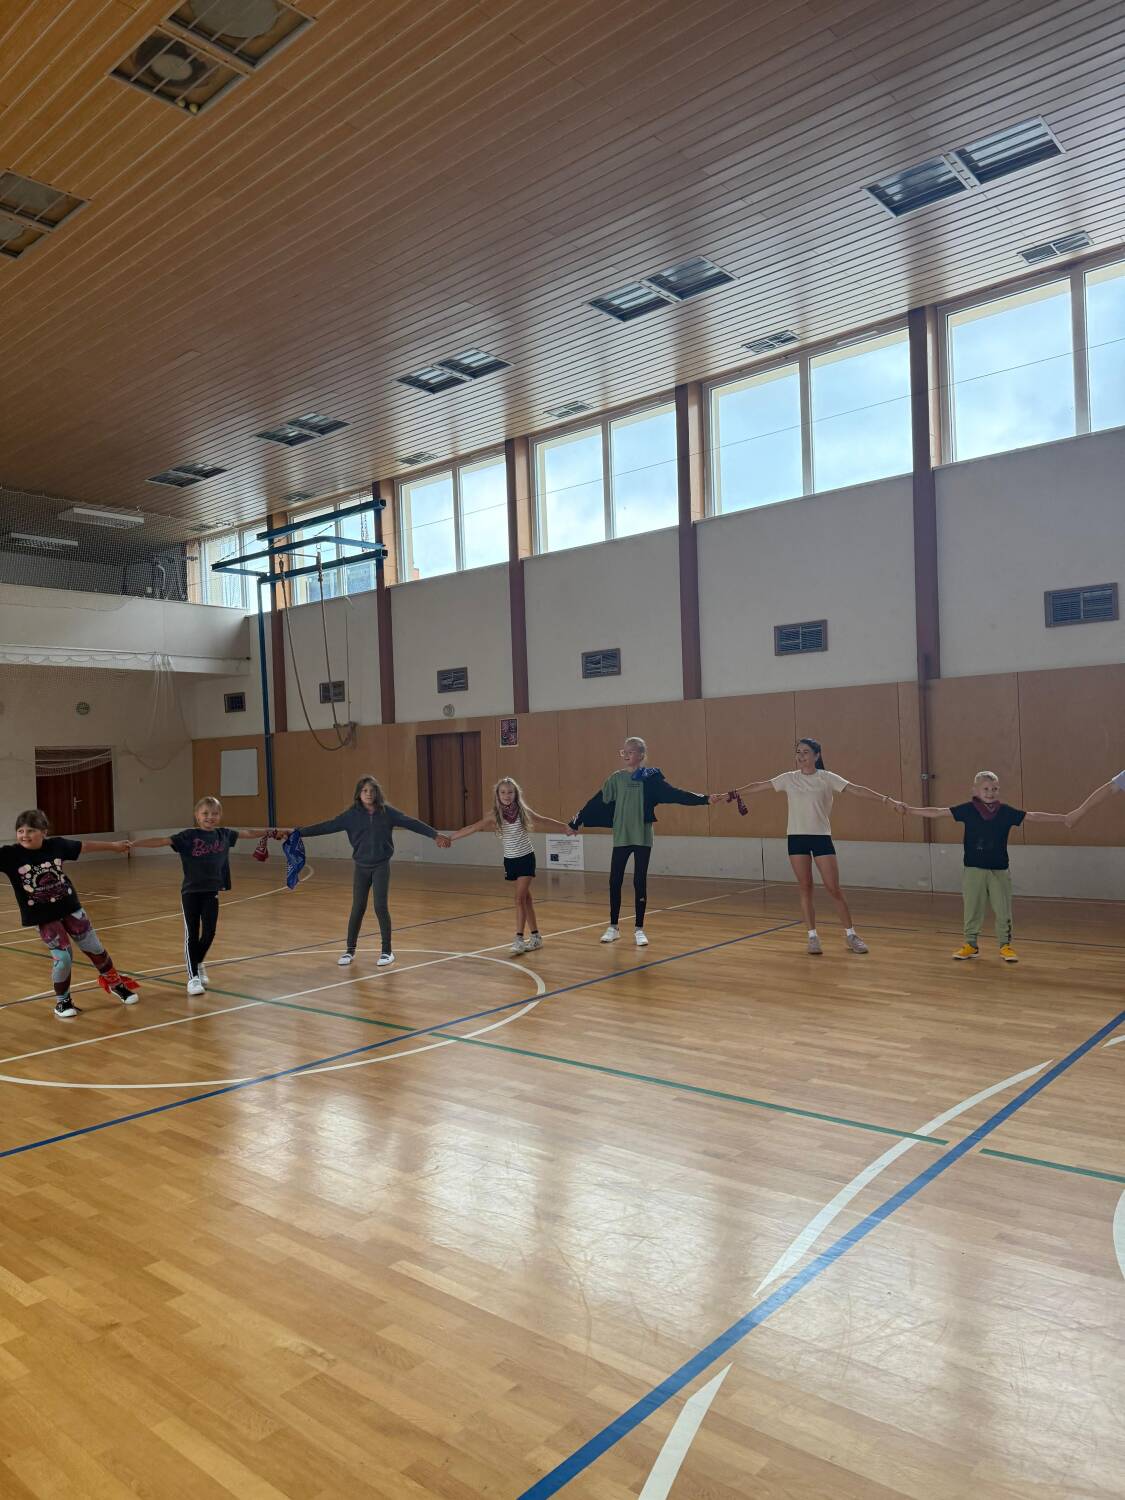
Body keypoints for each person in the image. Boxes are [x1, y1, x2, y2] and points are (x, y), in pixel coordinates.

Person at [731, 737, 895, 955]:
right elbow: (760, 785)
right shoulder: (788, 778)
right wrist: (732, 793)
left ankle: (851, 935)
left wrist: (886, 799)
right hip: (796, 838)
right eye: (798, 752)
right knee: (805, 887)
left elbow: (856, 789)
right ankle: (812, 937)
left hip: (820, 838)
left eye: (806, 752)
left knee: (833, 888)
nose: (801, 756)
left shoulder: (827, 778)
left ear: (817, 756)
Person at [896, 770, 1069, 961]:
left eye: (994, 789)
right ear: (975, 790)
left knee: (1003, 909)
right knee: (972, 908)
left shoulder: (1005, 812)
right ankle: (971, 945)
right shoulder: (968, 810)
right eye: (986, 789)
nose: (990, 792)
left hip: (999, 870)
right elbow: (938, 812)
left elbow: (1033, 816)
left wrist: (1063, 818)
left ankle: (1005, 945)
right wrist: (910, 810)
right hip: (973, 869)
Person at [569, 736, 721, 947]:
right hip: (622, 837)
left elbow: (676, 794)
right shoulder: (616, 779)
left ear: (641, 755)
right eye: (624, 751)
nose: (626, 755)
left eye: (630, 751)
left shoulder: (650, 779)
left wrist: (704, 799)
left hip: (642, 837)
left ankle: (639, 929)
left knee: (639, 881)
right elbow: (596, 801)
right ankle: (613, 927)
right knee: (614, 880)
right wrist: (576, 821)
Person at [130, 797, 282, 996]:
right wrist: (133, 843)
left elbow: (249, 833)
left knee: (209, 932)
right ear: (197, 815)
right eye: (205, 813)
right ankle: (193, 978)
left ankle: (198, 961)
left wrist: (271, 831)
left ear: (220, 815)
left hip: (211, 892)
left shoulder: (224, 835)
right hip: (191, 893)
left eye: (215, 814)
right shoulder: (188, 836)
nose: (210, 817)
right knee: (192, 935)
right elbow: (162, 841)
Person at [296, 776, 450, 967]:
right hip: (361, 868)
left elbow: (412, 823)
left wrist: (435, 835)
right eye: (365, 791)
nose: (368, 794)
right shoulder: (350, 816)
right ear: (358, 794)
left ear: (377, 793)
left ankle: (387, 952)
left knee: (380, 906)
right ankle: (349, 951)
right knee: (357, 908)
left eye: (372, 790)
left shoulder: (388, 813)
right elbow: (326, 826)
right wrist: (298, 832)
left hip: (380, 866)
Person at [0, 809, 136, 1019]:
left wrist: (114, 846)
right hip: (43, 918)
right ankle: (63, 1001)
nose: (24, 835)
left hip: (71, 909)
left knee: (95, 950)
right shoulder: (10, 855)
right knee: (63, 958)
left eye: (31, 830)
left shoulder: (57, 845)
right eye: (20, 831)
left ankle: (116, 984)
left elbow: (85, 846)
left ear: (44, 832)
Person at [447, 777, 571, 953]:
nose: (507, 795)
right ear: (498, 795)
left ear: (516, 794)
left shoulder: (522, 811)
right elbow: (473, 827)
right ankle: (536, 937)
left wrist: (566, 827)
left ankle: (519, 939)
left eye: (510, 792)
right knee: (526, 899)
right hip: (510, 860)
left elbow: (543, 820)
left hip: (526, 858)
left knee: (519, 899)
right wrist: (450, 838)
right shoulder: (494, 815)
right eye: (503, 792)